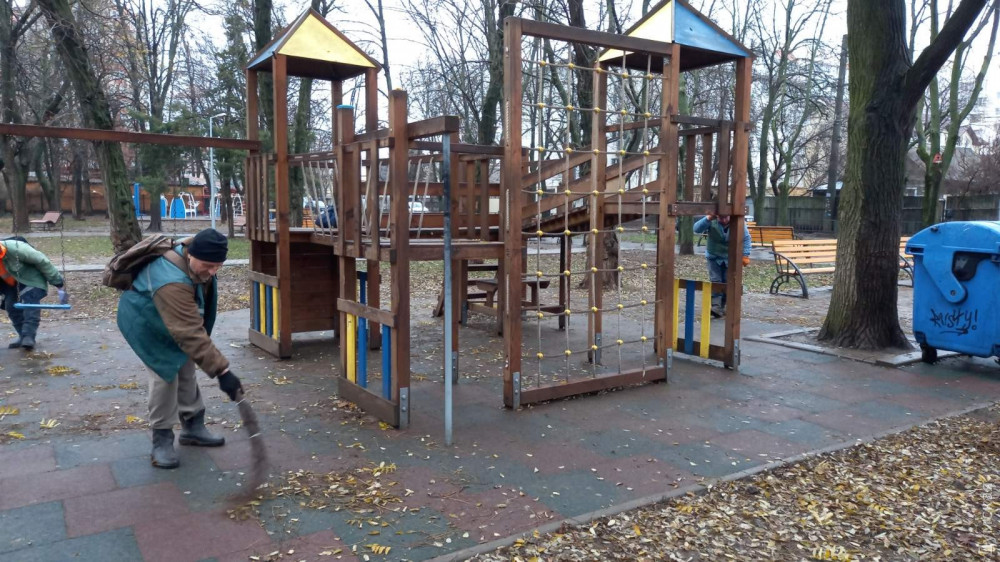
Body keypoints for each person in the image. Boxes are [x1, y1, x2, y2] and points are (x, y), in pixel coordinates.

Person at [117, 229, 244, 469]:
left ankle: (193, 426)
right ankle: (161, 438)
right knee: (165, 372)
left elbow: (190, 330)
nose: (212, 272)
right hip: (144, 320)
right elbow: (188, 331)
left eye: (218, 266)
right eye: (208, 265)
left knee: (186, 364)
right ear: (191, 255)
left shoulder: (196, 256)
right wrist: (222, 372)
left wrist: (210, 359)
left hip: (174, 317)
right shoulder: (170, 280)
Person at [0, 237, 69, 350]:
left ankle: (28, 336)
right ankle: (22, 336)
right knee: (11, 307)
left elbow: (42, 261)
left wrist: (57, 282)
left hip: (32, 280)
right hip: (11, 284)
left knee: (29, 301)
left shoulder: (17, 248)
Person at [692, 214, 751, 318]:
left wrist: (745, 255)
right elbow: (696, 229)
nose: (723, 220)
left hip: (730, 258)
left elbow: (746, 238)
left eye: (726, 217)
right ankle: (716, 306)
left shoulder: (738, 222)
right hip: (713, 257)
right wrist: (708, 218)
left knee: (728, 281)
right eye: (720, 218)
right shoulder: (712, 221)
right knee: (715, 281)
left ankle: (722, 306)